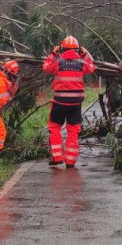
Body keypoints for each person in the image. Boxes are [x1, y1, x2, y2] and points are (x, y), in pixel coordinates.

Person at [42, 36, 94, 168]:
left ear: (62, 48)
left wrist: (53, 54)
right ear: (77, 49)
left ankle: (57, 157)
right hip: (75, 103)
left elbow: (46, 67)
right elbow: (91, 67)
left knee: (54, 128)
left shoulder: (58, 62)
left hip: (59, 101)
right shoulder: (82, 63)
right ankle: (70, 161)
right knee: (73, 130)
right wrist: (85, 54)